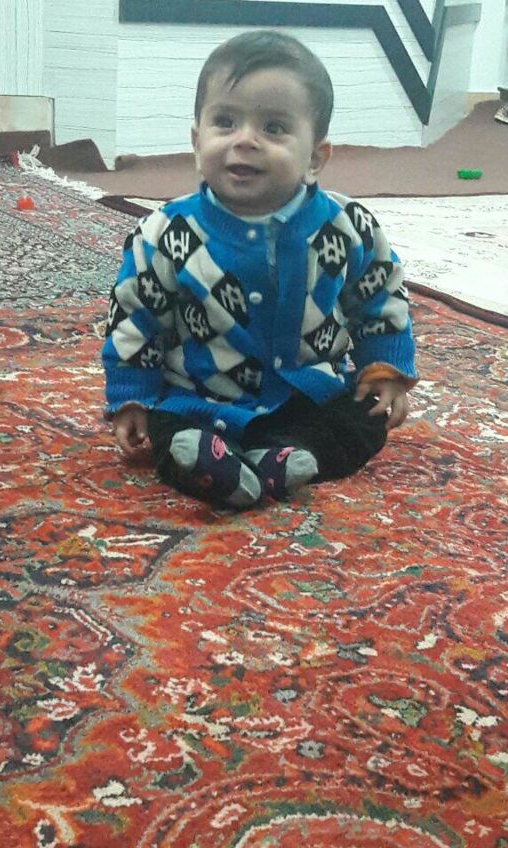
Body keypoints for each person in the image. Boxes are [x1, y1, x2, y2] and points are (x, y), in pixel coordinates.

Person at [102, 29, 418, 509]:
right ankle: (211, 466)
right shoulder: (164, 233)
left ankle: (283, 459)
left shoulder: (347, 226)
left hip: (306, 397)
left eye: (273, 128)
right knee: (167, 432)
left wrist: (385, 369)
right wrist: (132, 396)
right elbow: (134, 317)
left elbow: (379, 294)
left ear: (316, 158)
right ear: (197, 141)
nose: (245, 140)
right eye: (225, 122)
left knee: (365, 419)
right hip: (200, 400)